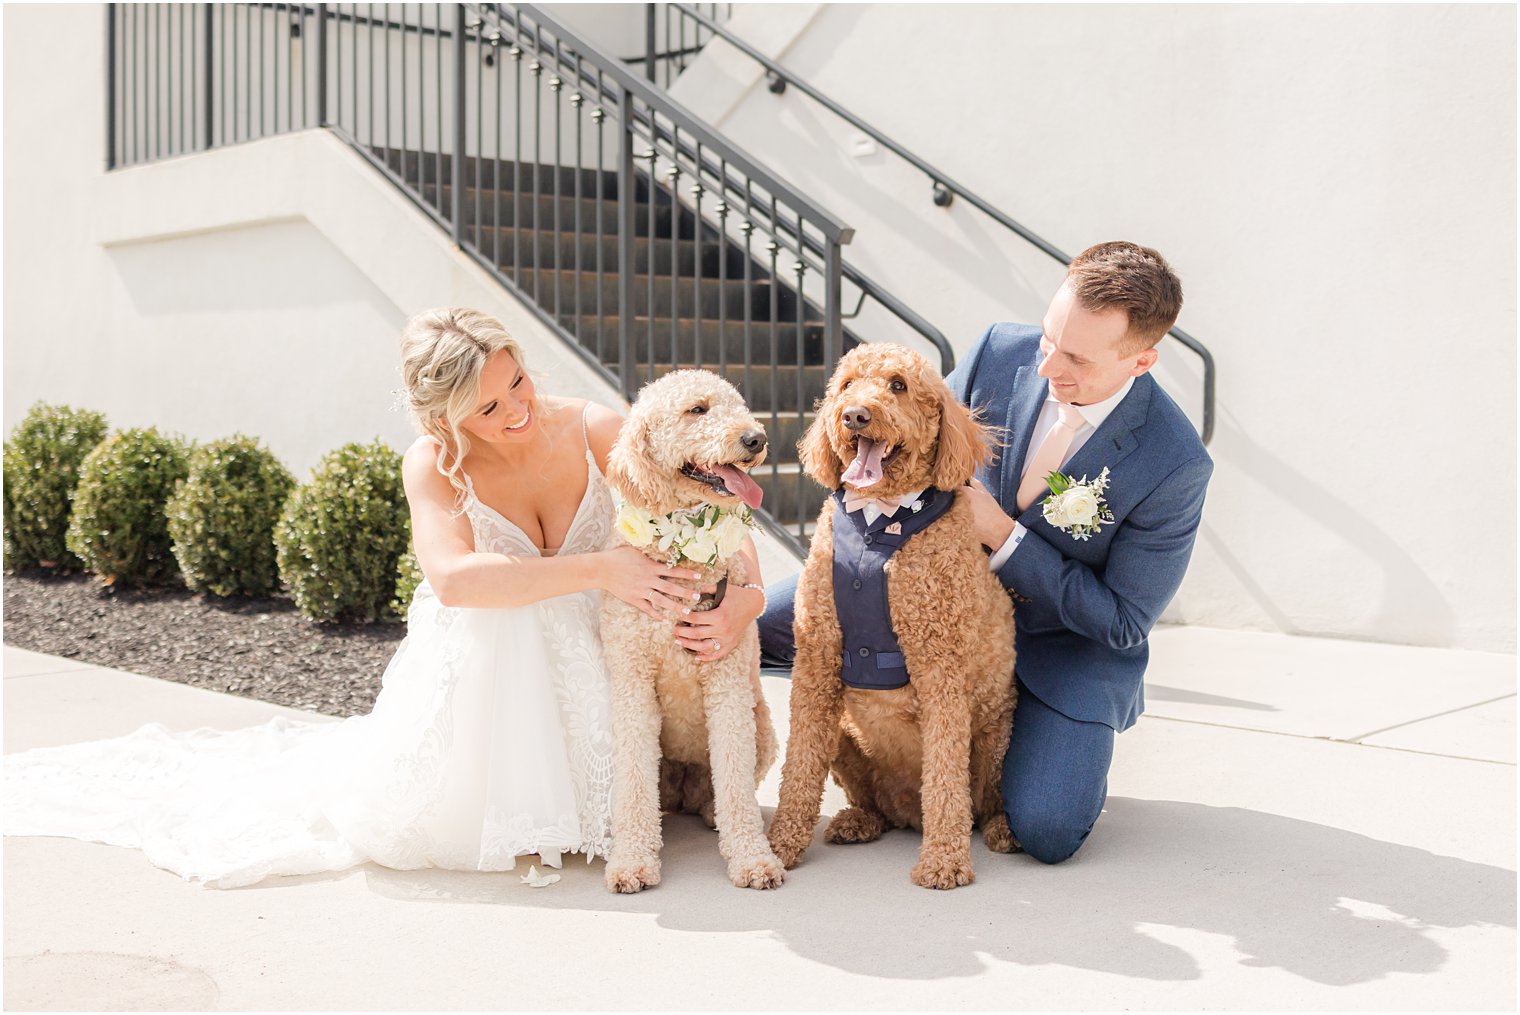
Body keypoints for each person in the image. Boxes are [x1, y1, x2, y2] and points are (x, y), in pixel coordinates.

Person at [2, 307, 730, 887]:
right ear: (442, 418)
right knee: (497, 612)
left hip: (602, 648)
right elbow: (452, 579)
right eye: (487, 407)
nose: (516, 410)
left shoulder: (593, 427)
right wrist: (603, 567)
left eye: (518, 383)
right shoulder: (434, 463)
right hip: (494, 667)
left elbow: (706, 500)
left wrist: (744, 596)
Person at [758, 241, 1213, 864]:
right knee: (748, 622)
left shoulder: (1173, 462)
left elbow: (1123, 621)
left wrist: (1004, 535)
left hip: (1059, 644)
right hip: (922, 581)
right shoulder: (1000, 349)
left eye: (1076, 357)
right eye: (1050, 339)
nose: (1049, 365)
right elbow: (915, 436)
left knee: (1047, 830)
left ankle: (1030, 749)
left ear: (1141, 360)